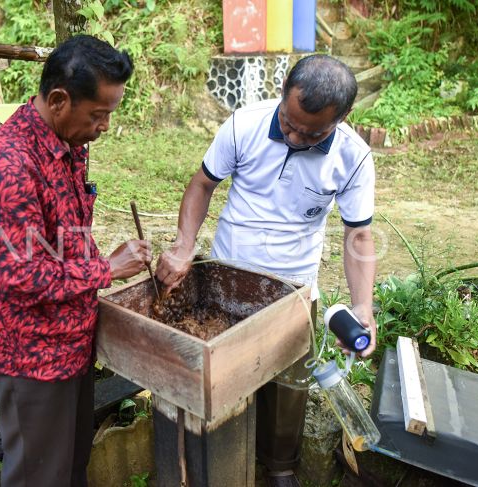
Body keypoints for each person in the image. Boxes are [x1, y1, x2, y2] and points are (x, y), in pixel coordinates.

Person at [155, 54, 377, 487]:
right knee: (223, 375)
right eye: (289, 123)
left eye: (310, 132)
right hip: (226, 275)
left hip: (292, 288)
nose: (294, 136)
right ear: (282, 95)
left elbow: (359, 237)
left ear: (342, 118)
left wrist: (363, 306)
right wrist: (184, 247)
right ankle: (219, 453)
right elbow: (202, 184)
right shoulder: (244, 124)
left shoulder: (353, 157)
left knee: (288, 385)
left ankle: (279, 468)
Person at [0, 35, 152, 487]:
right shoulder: (7, 166)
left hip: (69, 343)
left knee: (69, 468)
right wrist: (107, 268)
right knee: (38, 477)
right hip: (29, 358)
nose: (104, 126)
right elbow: (19, 274)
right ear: (58, 99)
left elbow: (62, 238)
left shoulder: (67, 145)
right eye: (99, 114)